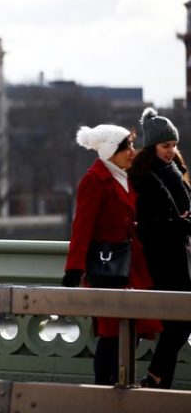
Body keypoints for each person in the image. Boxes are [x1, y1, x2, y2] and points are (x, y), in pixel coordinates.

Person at [62, 124, 161, 385]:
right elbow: (81, 227)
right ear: (109, 151)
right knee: (111, 333)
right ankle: (105, 388)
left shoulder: (124, 176)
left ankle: (118, 384)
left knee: (133, 327)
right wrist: (74, 269)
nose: (132, 151)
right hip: (107, 268)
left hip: (130, 265)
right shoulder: (94, 180)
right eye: (126, 147)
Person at [129, 108, 191, 389]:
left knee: (176, 321)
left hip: (178, 256)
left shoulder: (174, 171)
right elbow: (149, 225)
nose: (171, 150)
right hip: (160, 260)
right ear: (152, 146)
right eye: (166, 145)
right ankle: (154, 378)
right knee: (179, 320)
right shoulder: (143, 177)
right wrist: (181, 225)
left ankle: (158, 383)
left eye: (174, 145)